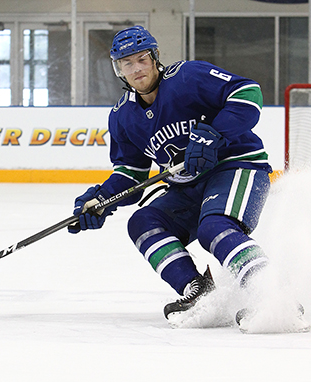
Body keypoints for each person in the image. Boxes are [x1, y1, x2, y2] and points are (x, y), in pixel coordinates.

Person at [68, 25, 285, 329]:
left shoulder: (187, 77)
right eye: (127, 63)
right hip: (186, 187)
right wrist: (101, 198)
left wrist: (214, 134)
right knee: (143, 223)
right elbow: (132, 173)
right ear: (119, 70)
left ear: (155, 57)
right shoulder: (121, 116)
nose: (136, 68)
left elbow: (248, 93)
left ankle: (273, 295)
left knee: (215, 228)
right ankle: (201, 293)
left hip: (236, 167)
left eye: (142, 59)